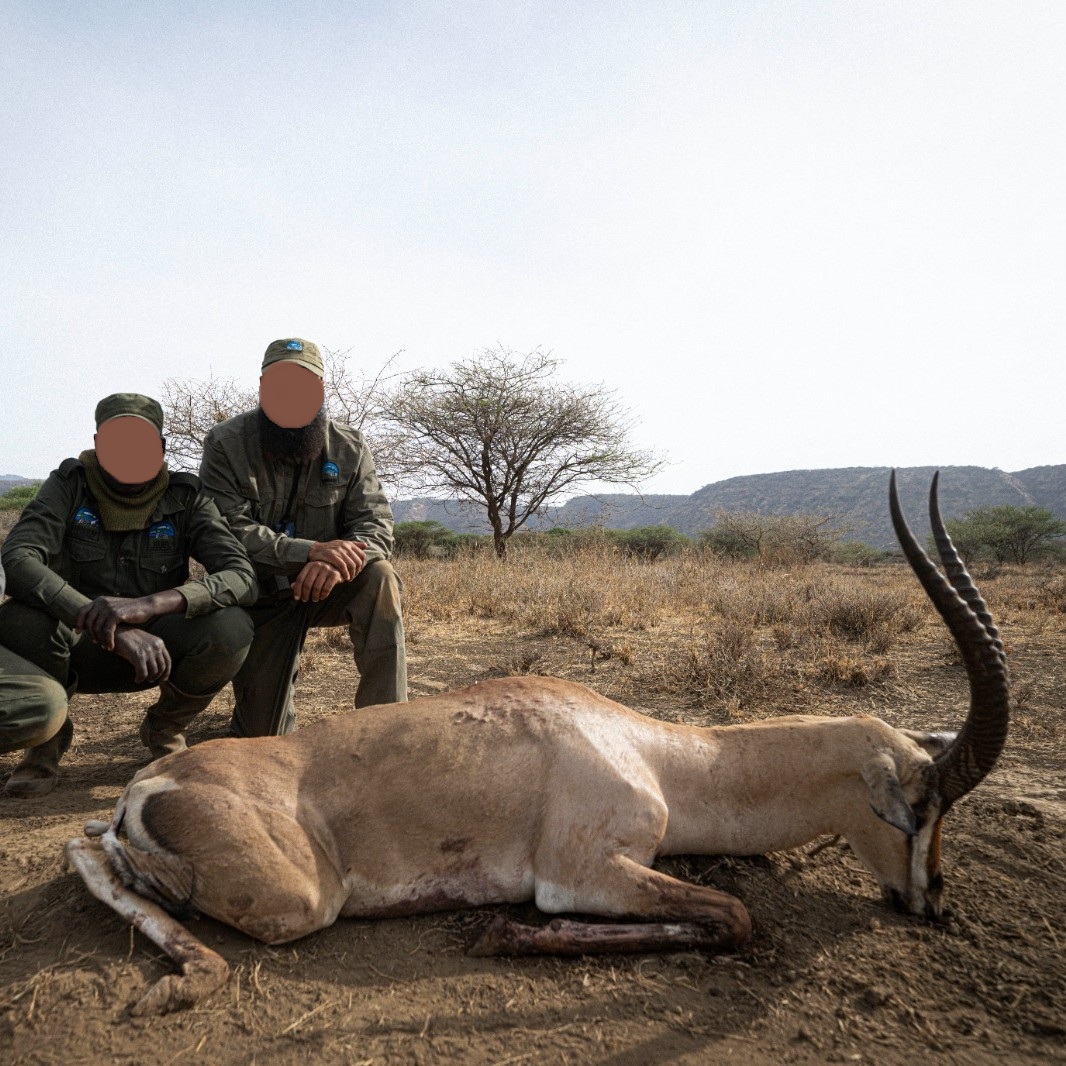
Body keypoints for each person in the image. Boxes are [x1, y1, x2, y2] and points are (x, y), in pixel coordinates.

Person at [0, 394, 257, 797]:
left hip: (157, 651)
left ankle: (166, 728)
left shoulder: (187, 496)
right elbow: (17, 558)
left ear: (162, 447)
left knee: (232, 627)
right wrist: (101, 621)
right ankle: (45, 744)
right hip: (76, 644)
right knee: (19, 620)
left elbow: (241, 576)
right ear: (98, 444)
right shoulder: (69, 485)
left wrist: (151, 605)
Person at [199, 337, 407, 737]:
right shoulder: (225, 443)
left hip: (328, 587)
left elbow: (375, 524)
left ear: (320, 391)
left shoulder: (349, 445)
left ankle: (387, 731)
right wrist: (309, 551)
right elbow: (225, 529)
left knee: (379, 577)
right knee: (263, 739)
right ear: (262, 389)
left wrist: (337, 562)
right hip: (260, 595)